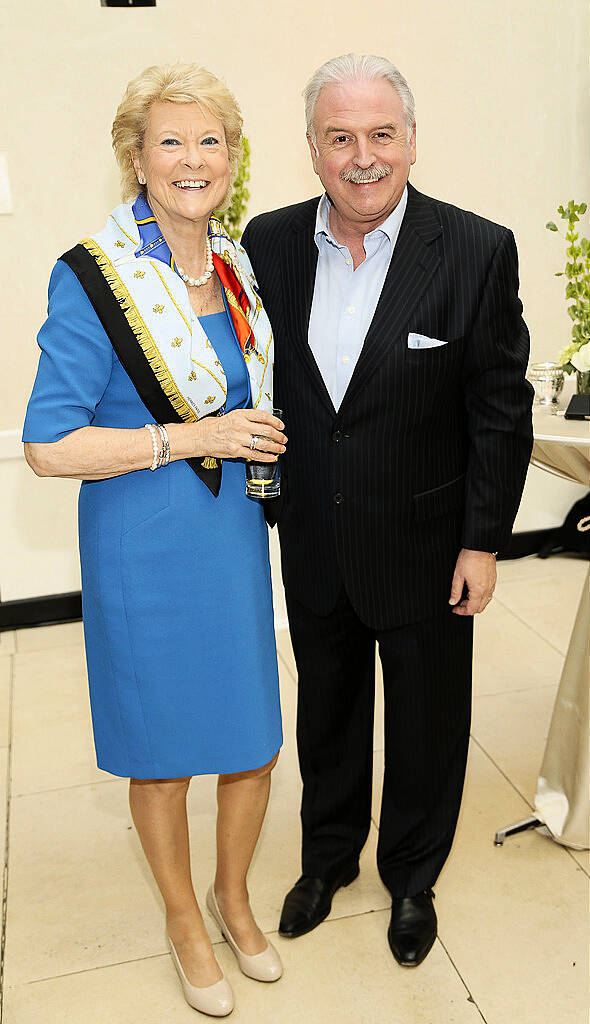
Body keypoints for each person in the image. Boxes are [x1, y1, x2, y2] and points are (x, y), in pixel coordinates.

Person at [241, 53, 534, 968]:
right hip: (318, 537)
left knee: (427, 720)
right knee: (326, 710)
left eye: (380, 135)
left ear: (411, 140)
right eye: (340, 138)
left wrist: (484, 541)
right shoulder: (269, 244)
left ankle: (413, 876)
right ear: (313, 150)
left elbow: (499, 405)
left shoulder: (477, 248)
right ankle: (327, 860)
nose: (361, 156)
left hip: (427, 541)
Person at [23, 63, 288, 1017]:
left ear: (232, 157)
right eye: (169, 141)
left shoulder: (236, 264)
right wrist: (191, 437)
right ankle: (184, 917)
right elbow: (48, 447)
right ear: (135, 160)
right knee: (164, 749)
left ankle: (233, 897)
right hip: (142, 542)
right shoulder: (93, 276)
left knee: (252, 739)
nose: (192, 159)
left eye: (209, 140)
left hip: (228, 538)